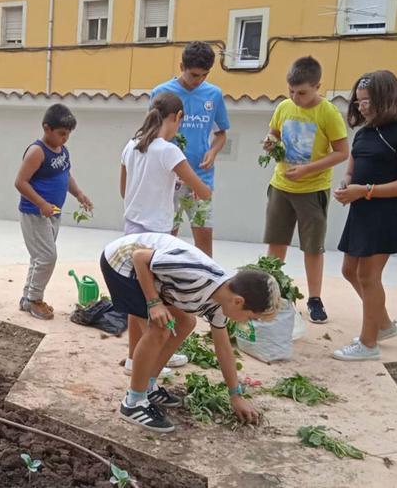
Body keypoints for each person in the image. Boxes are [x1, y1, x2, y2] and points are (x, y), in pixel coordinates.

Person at [101, 233, 280, 432]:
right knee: (160, 328)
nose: (249, 322)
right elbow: (140, 257)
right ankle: (133, 402)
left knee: (185, 322)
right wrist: (154, 303)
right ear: (238, 301)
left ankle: (148, 386)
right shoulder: (195, 273)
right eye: (251, 317)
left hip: (148, 273)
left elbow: (223, 349)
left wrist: (235, 395)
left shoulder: (221, 302)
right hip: (121, 262)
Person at [119, 91, 213, 375]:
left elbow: (124, 189)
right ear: (178, 117)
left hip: (130, 230)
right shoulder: (169, 150)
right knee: (156, 300)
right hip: (155, 235)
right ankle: (151, 356)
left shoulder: (131, 146)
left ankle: (134, 358)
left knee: (138, 301)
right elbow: (203, 191)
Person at [332, 71, 397, 361]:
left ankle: (368, 344)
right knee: (350, 271)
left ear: (386, 99)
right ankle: (382, 324)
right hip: (361, 210)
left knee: (369, 276)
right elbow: (351, 170)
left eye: (367, 101)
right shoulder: (364, 134)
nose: (361, 107)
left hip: (386, 213)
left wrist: (365, 190)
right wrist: (347, 185)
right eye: (358, 102)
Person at [261, 56, 349, 324]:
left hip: (312, 189)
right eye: (291, 91)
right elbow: (274, 133)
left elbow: (342, 152)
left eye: (302, 92)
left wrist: (308, 170)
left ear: (317, 86)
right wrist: (269, 142)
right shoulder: (284, 107)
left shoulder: (328, 113)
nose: (295, 97)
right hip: (281, 185)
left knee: (312, 247)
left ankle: (314, 299)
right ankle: (272, 293)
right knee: (276, 242)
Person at [151, 41, 230, 257]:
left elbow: (221, 134)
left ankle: (205, 286)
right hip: (169, 180)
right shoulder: (161, 93)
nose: (199, 80)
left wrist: (213, 152)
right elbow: (152, 135)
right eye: (194, 75)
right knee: (167, 239)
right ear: (181, 66)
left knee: (204, 238)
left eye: (205, 75)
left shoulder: (213, 94)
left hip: (201, 177)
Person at [15, 103, 92, 320]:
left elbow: (66, 176)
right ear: (46, 128)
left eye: (68, 135)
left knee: (39, 258)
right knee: (47, 257)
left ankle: (27, 297)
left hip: (54, 213)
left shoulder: (62, 150)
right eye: (61, 134)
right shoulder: (37, 152)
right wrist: (41, 204)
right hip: (35, 213)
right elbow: (20, 182)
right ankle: (34, 300)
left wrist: (79, 195)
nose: (65, 138)